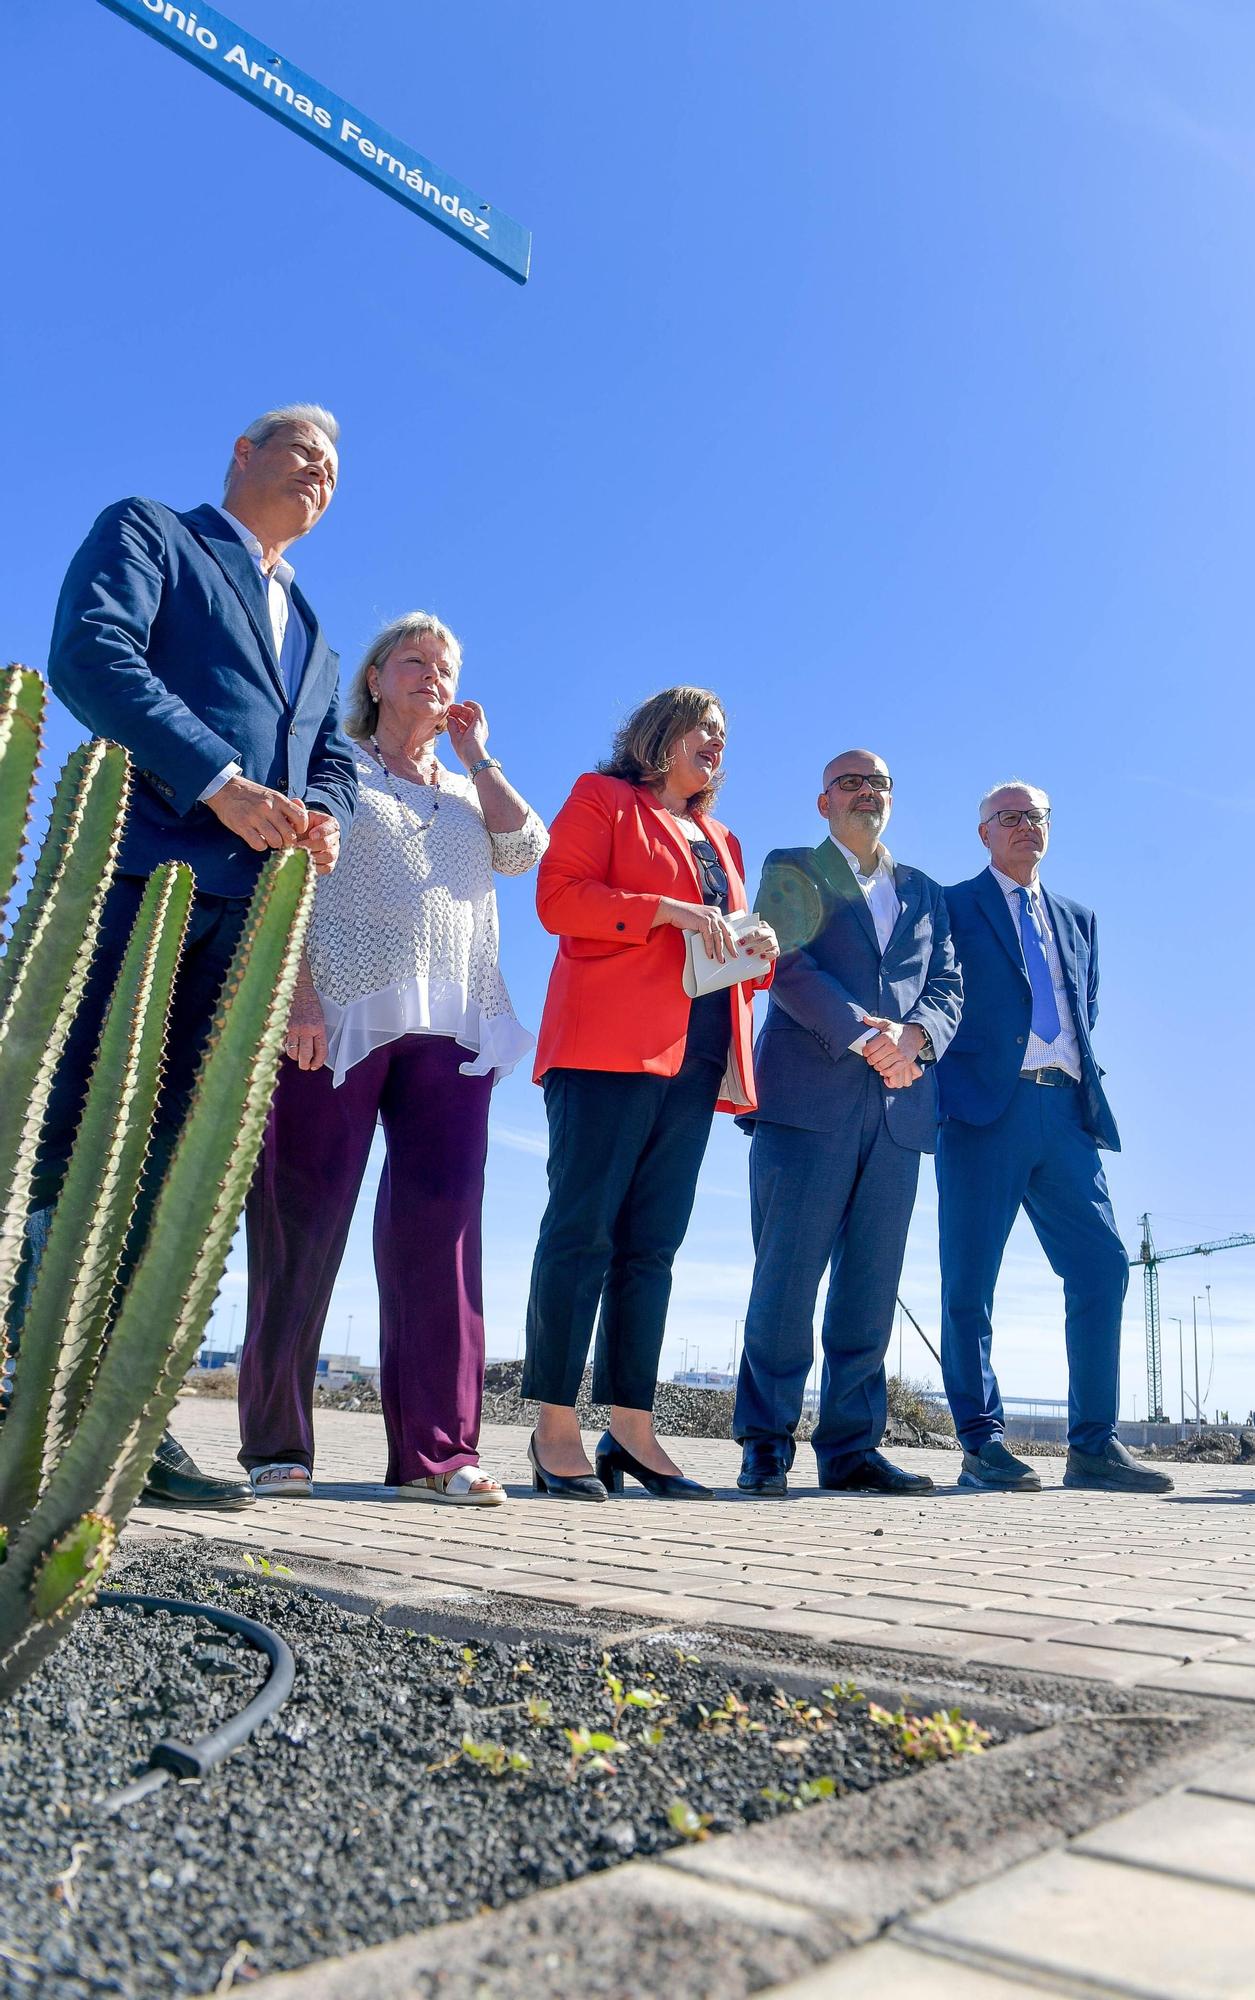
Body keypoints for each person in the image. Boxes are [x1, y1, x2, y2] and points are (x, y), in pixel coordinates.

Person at [36, 404, 356, 1510]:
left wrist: (320, 810)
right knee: (76, 1132)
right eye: (302, 449)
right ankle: (23, 1386)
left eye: (334, 466)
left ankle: (119, 1418)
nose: (319, 470)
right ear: (242, 452)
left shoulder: (313, 628)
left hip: (248, 924)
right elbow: (90, 650)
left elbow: (336, 758)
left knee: (174, 1164)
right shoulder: (154, 533)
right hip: (139, 878)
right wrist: (218, 776)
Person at [237, 614, 547, 1503]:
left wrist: (478, 755)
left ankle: (437, 1453)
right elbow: (286, 872)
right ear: (373, 678)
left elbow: (527, 850)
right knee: (301, 1220)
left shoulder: (465, 791)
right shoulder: (331, 763)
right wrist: (294, 994)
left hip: (455, 1024)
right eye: (414, 661)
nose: (433, 676)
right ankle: (275, 1446)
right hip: (332, 1015)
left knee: (440, 1236)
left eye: (446, 666)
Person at [522, 687, 778, 1501]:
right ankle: (553, 1430)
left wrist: (758, 942)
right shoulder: (602, 799)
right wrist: (667, 909)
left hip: (698, 1060)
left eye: (723, 735)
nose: (716, 742)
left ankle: (631, 1429)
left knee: (652, 1249)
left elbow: (730, 955)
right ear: (657, 736)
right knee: (581, 1232)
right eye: (703, 727)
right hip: (605, 1047)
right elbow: (557, 901)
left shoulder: (723, 837)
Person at [732, 750, 962, 1498]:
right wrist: (868, 1036)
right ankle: (764, 1444)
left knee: (869, 1286)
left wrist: (915, 1040)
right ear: (823, 801)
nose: (867, 794)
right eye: (850, 783)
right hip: (808, 1100)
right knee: (786, 1281)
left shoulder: (923, 890)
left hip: (899, 1107)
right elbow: (785, 964)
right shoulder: (792, 865)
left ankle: (851, 1448)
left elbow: (947, 985)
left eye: (879, 784)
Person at [934, 781, 1172, 1495]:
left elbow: (1081, 1007)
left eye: (1034, 816)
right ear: (982, 833)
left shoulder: (1078, 919)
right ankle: (982, 1444)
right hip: (985, 1112)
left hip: (1067, 1114)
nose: (1023, 827)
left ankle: (1092, 1446)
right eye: (1007, 818)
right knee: (969, 1282)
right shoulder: (950, 905)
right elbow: (934, 996)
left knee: (1101, 1267)